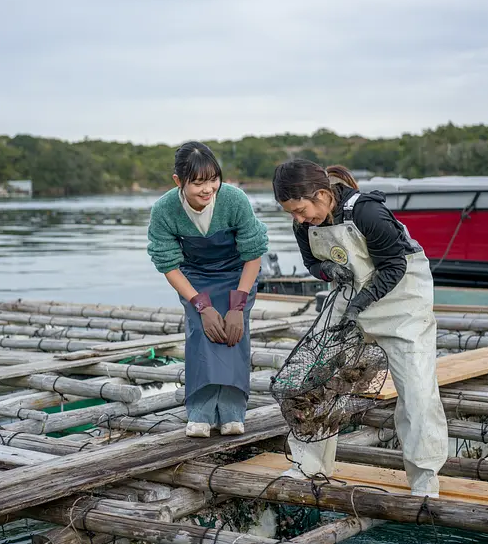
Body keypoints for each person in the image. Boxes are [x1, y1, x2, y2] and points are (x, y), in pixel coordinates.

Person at [272, 159, 448, 497]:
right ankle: (308, 463)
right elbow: (312, 263)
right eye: (291, 213)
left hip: (401, 301)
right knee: (315, 379)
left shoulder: (367, 212)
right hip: (350, 293)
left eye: (300, 209)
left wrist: (361, 302)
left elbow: (395, 264)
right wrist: (326, 270)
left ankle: (425, 479)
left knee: (417, 390)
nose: (298, 218)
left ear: (322, 195)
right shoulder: (304, 225)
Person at [147, 141, 269, 437]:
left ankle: (232, 411)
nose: (208, 189)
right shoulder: (164, 209)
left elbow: (254, 254)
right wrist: (201, 305)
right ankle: (200, 412)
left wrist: (238, 306)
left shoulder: (234, 199)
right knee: (201, 334)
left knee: (232, 335)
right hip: (195, 277)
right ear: (179, 181)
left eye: (213, 180)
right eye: (198, 182)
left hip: (238, 273)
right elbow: (168, 264)